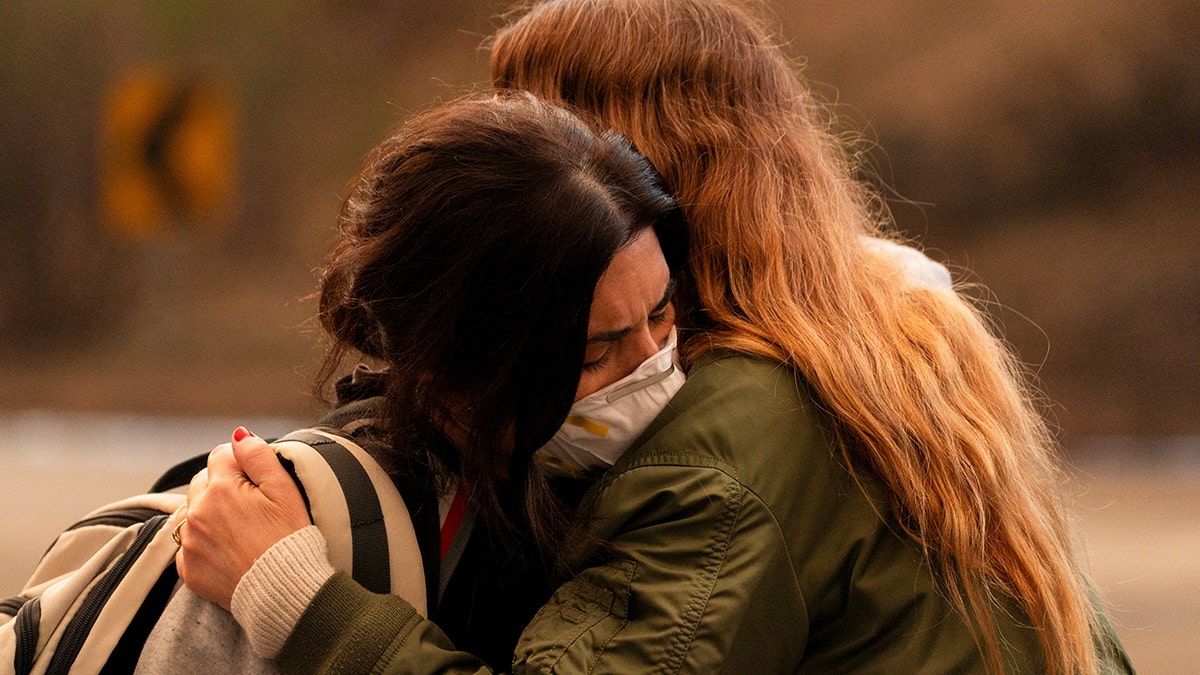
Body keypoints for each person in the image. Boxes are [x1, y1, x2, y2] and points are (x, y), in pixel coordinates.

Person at [180, 0, 1134, 672]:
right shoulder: (884, 334)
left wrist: (293, 595)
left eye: (529, 133)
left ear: (620, 167)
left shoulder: (726, 442)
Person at [154, 89, 687, 672]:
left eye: (661, 315)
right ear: (455, 375)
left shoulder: (566, 483)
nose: (652, 366)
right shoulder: (333, 526)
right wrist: (291, 591)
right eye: (591, 357)